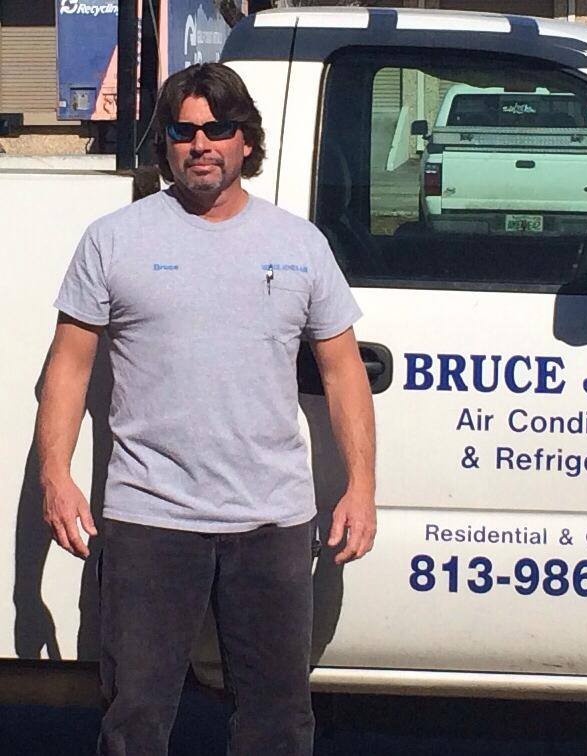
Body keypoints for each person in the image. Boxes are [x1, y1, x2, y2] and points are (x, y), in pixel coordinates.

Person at [36, 62, 376, 755]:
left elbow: (344, 373)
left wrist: (360, 489)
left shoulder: (299, 244)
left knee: (277, 724)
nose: (201, 144)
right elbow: (67, 369)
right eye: (183, 130)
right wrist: (55, 476)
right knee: (134, 723)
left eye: (217, 129)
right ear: (164, 143)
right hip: (148, 521)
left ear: (245, 140)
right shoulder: (115, 240)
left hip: (271, 521)